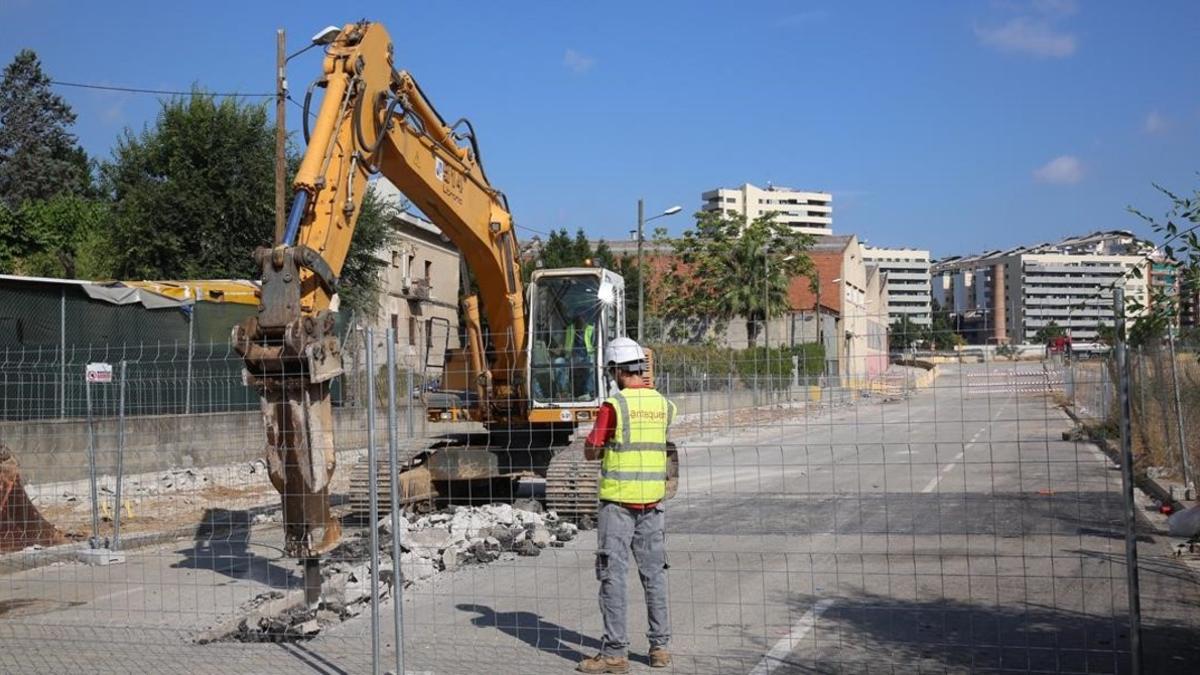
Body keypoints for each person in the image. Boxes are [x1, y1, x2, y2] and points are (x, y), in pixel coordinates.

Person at [577, 337, 676, 674]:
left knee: (613, 577)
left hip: (619, 504)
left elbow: (592, 448)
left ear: (617, 371)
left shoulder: (614, 405)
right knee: (654, 576)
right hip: (653, 503)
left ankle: (616, 654)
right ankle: (660, 648)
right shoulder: (662, 403)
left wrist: (595, 449)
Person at [564, 312, 598, 400]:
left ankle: (588, 392)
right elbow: (566, 347)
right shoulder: (570, 329)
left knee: (592, 366)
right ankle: (564, 392)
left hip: (587, 356)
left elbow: (595, 347)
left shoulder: (591, 329)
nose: (581, 321)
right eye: (579, 318)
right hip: (572, 357)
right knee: (558, 362)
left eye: (583, 318)